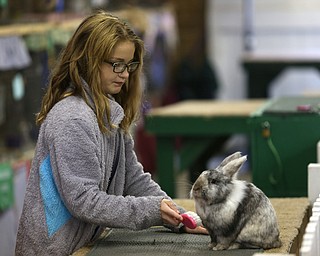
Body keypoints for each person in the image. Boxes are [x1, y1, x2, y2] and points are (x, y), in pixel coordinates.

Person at [15, 11, 207, 256]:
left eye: (128, 65)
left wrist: (179, 215)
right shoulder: (72, 119)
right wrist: (152, 210)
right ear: (88, 61)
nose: (125, 74)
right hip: (57, 251)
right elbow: (85, 200)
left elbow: (133, 178)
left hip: (84, 246)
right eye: (116, 64)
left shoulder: (107, 112)